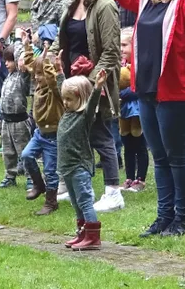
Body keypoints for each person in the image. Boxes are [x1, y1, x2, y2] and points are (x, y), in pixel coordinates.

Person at [65, 0, 185, 237]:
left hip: (177, 92)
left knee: (177, 156)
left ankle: (183, 218)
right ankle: (164, 216)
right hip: (147, 89)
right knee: (159, 156)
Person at [52, 0, 123, 214]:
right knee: (77, 134)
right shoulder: (72, 2)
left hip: (95, 82)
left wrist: (91, 83)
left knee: (101, 135)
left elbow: (112, 51)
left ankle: (114, 192)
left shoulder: (105, 5)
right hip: (72, 80)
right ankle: (78, 187)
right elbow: (66, 39)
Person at [59, 69, 108, 251]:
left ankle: (93, 238)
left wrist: (98, 87)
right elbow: (61, 88)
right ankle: (82, 234)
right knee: (76, 203)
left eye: (69, 99)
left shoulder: (84, 117)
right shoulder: (67, 113)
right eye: (64, 98)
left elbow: (92, 103)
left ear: (81, 99)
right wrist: (58, 72)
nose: (65, 102)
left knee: (85, 201)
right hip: (67, 167)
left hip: (79, 167)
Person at [21, 38, 65, 216]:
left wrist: (49, 64)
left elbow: (53, 80)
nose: (38, 78)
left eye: (42, 74)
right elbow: (31, 64)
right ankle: (39, 185)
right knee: (26, 156)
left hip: (53, 137)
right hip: (39, 133)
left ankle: (51, 202)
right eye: (36, 75)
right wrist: (27, 46)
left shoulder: (56, 92)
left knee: (50, 170)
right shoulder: (39, 85)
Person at [0, 31, 32, 189]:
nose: (6, 64)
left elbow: (19, 57)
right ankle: (10, 176)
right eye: (5, 60)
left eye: (9, 61)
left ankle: (31, 177)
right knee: (8, 152)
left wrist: (19, 39)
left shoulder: (21, 75)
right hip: (6, 120)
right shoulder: (9, 76)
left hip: (19, 122)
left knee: (23, 151)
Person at [119, 28, 147, 192]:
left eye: (124, 45)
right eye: (120, 45)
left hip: (138, 110)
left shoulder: (140, 63)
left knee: (139, 144)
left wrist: (124, 93)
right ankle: (129, 177)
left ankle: (140, 178)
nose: (121, 49)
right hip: (124, 111)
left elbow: (139, 86)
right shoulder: (121, 65)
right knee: (127, 144)